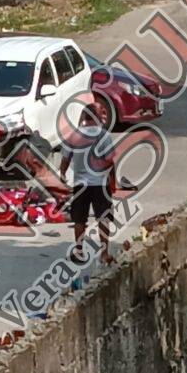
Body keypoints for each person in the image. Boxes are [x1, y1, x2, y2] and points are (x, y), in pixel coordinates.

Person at [59, 101, 115, 265]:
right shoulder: (104, 135)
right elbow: (109, 161)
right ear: (97, 117)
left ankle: (79, 251)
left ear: (84, 116)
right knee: (103, 218)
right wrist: (113, 179)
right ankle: (104, 253)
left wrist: (62, 174)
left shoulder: (74, 135)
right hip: (100, 183)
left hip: (80, 184)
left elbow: (65, 159)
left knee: (79, 219)